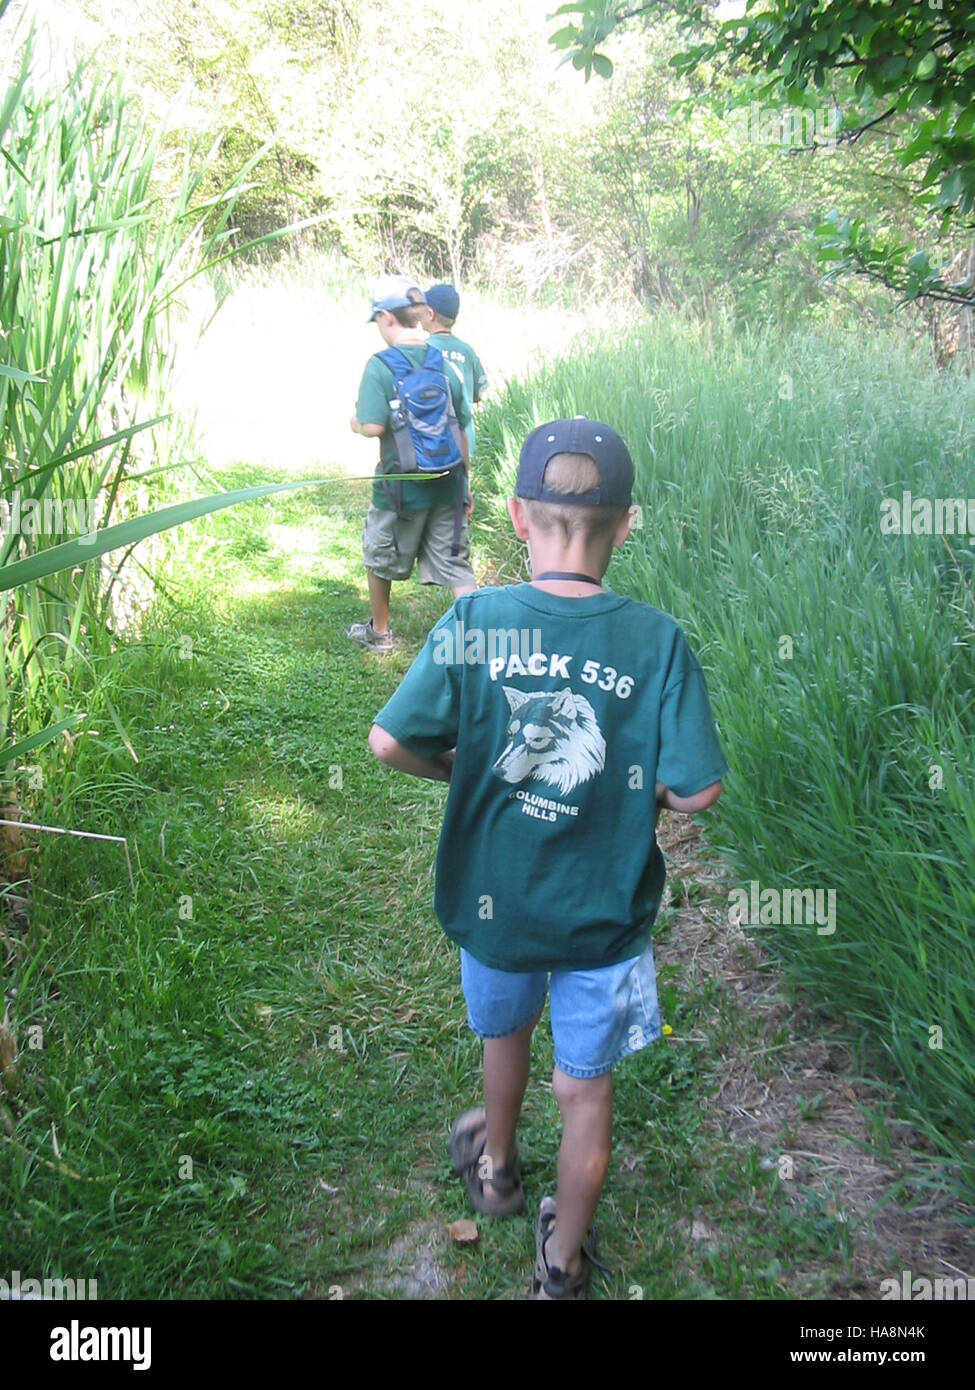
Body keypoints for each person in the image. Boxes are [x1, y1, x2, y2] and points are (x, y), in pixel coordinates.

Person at [367, 417, 727, 1299]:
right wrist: (641, 791)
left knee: (502, 1030)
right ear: (627, 523)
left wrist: (456, 772)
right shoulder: (655, 641)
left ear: (519, 519)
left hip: (495, 902)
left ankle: (494, 1171)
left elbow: (387, 743)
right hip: (602, 918)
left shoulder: (476, 618)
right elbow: (696, 791)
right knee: (584, 1090)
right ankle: (561, 1263)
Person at [347, 277, 476, 653]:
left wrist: (353, 423)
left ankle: (380, 633)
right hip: (448, 482)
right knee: (456, 563)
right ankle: (475, 641)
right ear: (417, 316)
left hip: (399, 489)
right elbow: (461, 427)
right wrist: (464, 485)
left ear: (387, 316)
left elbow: (371, 426)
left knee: (379, 554)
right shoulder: (441, 360)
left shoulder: (380, 365)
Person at [416, 284, 489, 465]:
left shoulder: (422, 350)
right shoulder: (466, 351)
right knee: (461, 487)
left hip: (433, 440)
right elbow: (479, 395)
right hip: (464, 439)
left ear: (431, 314)